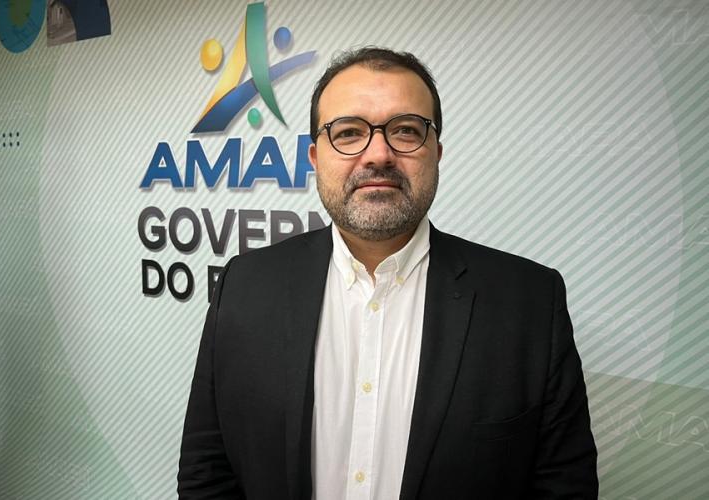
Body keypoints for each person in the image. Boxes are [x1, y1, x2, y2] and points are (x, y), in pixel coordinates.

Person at [178, 47, 598, 500]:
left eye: (405, 130)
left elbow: (563, 488)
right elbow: (207, 472)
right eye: (349, 132)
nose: (378, 154)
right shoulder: (243, 286)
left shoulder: (530, 303)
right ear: (315, 157)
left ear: (437, 153)